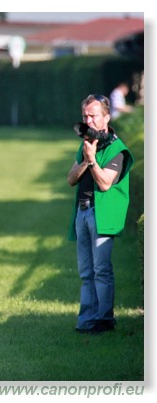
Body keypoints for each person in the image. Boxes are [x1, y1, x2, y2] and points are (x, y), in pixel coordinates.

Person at [66, 94, 133, 335]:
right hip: (83, 214)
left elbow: (105, 184)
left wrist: (92, 161)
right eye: (85, 115)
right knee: (86, 273)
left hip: (103, 216)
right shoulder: (86, 144)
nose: (88, 120)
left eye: (93, 116)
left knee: (101, 270)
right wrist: (85, 159)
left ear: (106, 117)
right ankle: (86, 321)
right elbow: (71, 179)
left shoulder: (118, 149)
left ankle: (104, 320)